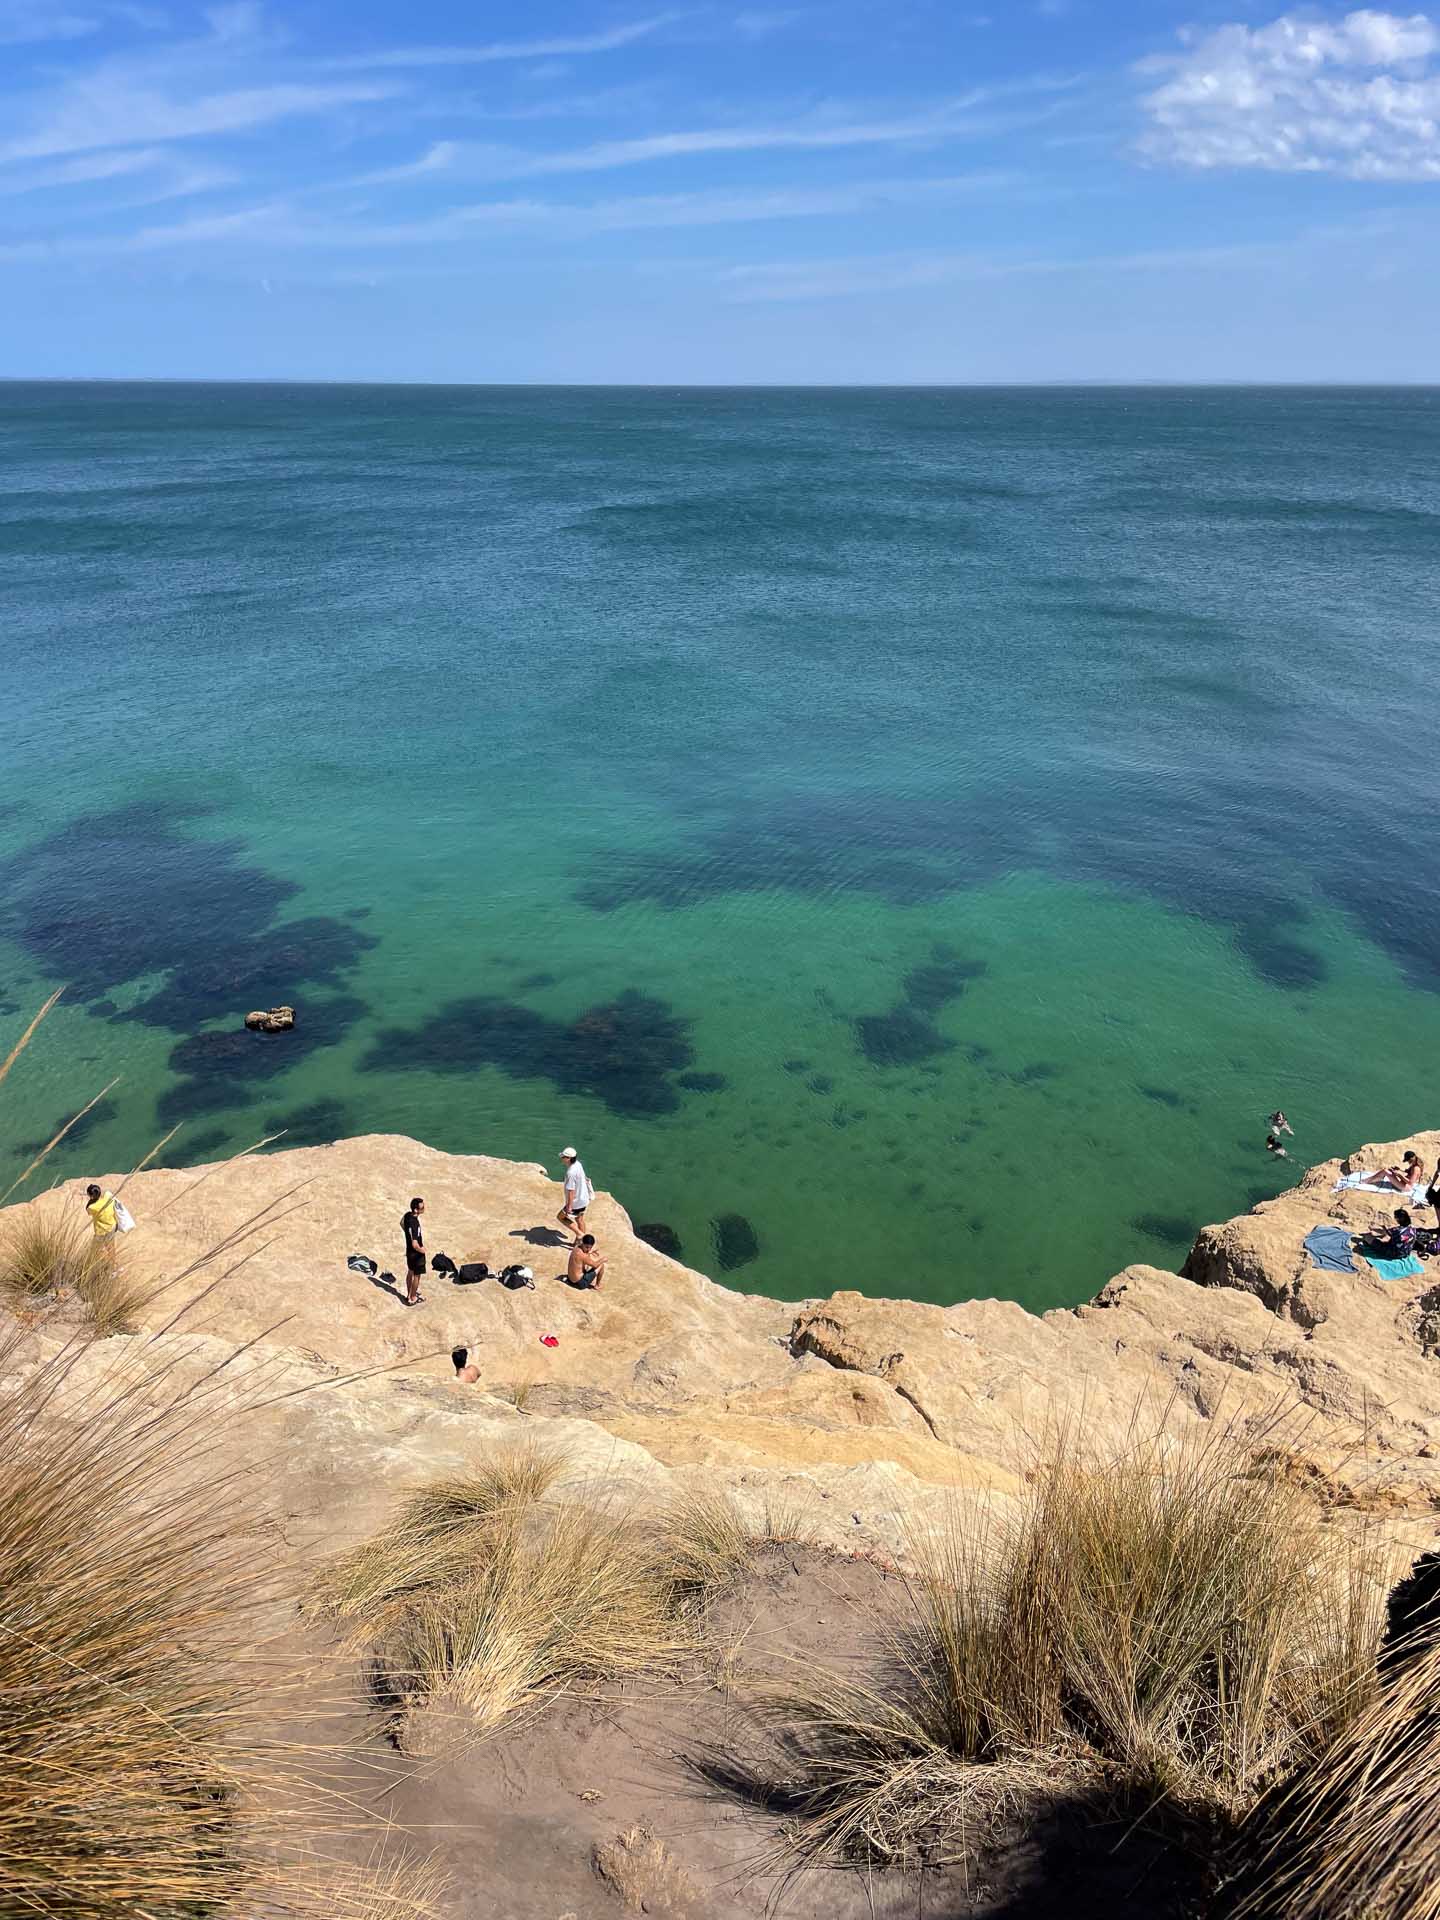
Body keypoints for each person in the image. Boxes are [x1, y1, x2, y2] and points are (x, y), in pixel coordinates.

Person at [557, 1147, 593, 1241]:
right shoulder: (578, 1164)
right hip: (584, 1199)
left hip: (576, 1202)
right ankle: (580, 1243)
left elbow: (571, 1191)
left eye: (563, 1157)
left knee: (561, 1217)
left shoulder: (570, 1173)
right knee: (579, 1219)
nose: (562, 1158)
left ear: (568, 1158)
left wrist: (569, 1207)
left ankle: (580, 1234)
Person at [401, 1197, 427, 1307]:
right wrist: (422, 1250)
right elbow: (415, 1244)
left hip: (409, 1252)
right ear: (416, 1210)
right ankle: (413, 1298)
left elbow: (401, 1223)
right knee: (417, 1275)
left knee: (410, 1272)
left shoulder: (408, 1215)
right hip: (416, 1254)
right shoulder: (415, 1224)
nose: (424, 1208)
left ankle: (409, 1294)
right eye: (422, 1207)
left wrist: (407, 1234)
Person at [84, 1182, 117, 1247]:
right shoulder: (108, 1195)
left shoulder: (92, 1207)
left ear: (91, 1197)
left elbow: (88, 1211)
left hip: (101, 1231)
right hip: (112, 1226)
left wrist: (91, 1200)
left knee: (96, 1249)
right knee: (111, 1247)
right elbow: (106, 1192)